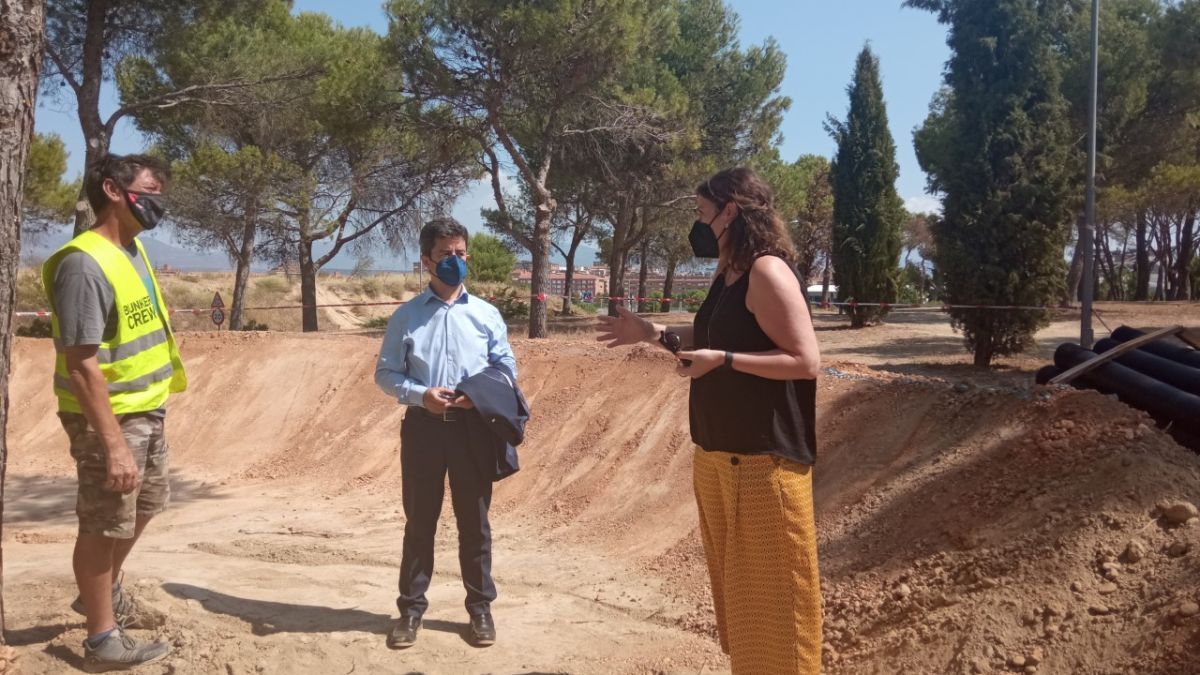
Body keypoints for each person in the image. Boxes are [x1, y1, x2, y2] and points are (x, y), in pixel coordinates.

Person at [596, 167, 823, 674]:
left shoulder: (767, 271)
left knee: (780, 620)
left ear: (731, 212)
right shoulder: (729, 274)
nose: (698, 225)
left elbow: (805, 360)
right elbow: (715, 335)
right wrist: (651, 332)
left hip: (764, 468)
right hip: (719, 460)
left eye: (703, 213)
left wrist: (723, 361)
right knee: (746, 617)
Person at [42, 154, 187, 670]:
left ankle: (100, 595)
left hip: (146, 409)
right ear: (112, 191)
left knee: (144, 506)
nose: (158, 203)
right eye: (150, 191)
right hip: (110, 418)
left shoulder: (132, 250)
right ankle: (101, 638)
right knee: (104, 524)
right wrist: (113, 445)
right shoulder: (85, 264)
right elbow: (81, 364)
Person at [375, 218, 518, 649]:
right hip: (423, 431)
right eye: (445, 254)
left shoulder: (486, 314)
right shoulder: (406, 317)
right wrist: (421, 395)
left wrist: (478, 395)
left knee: (475, 524)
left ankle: (480, 610)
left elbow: (506, 367)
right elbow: (385, 373)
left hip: (473, 430)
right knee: (420, 522)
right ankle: (410, 611)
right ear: (427, 261)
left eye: (460, 253)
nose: (454, 261)